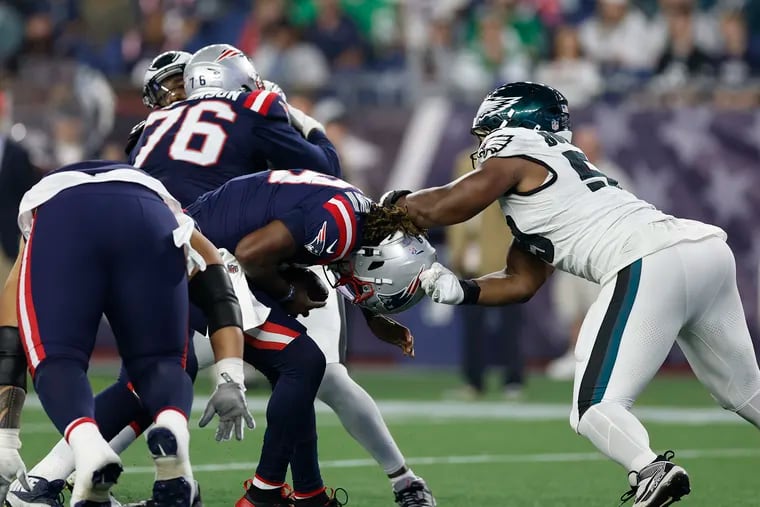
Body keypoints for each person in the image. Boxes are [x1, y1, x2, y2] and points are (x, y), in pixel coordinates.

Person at [382, 82, 760, 507]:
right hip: (705, 252)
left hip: (650, 260)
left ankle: (650, 471)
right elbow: (522, 280)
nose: (483, 147)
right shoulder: (555, 179)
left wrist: (394, 207)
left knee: (593, 407)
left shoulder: (519, 146)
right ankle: (650, 468)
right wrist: (463, 291)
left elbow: (448, 205)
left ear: (508, 124)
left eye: (486, 135)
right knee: (744, 392)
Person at [0, 160, 254, 506]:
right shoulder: (163, 204)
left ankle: (90, 452)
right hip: (147, 214)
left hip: (65, 213)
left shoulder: (49, 201)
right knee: (161, 361)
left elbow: (12, 327)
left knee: (58, 357)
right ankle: (174, 440)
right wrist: (231, 375)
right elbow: (217, 280)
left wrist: (6, 438)